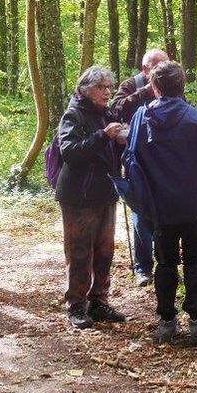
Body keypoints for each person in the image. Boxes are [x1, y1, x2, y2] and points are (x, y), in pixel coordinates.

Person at [131, 61, 197, 344]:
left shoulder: (141, 118)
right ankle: (196, 321)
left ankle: (167, 322)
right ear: (182, 87)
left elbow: (131, 159)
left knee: (165, 262)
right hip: (193, 205)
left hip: (159, 207)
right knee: (194, 260)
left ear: (154, 88)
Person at [56, 66, 128, 330]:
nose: (107, 92)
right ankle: (76, 305)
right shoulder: (74, 114)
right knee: (79, 252)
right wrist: (102, 136)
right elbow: (70, 152)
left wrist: (121, 141)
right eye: (101, 88)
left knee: (105, 251)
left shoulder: (106, 113)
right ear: (86, 90)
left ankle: (99, 301)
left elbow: (109, 153)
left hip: (105, 193)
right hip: (79, 197)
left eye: (109, 87)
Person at [111, 47, 170, 287]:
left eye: (166, 64)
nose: (163, 69)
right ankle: (143, 267)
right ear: (145, 69)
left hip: (163, 158)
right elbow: (116, 108)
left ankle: (165, 261)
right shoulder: (131, 84)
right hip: (136, 160)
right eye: (158, 65)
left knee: (164, 210)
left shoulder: (169, 83)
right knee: (139, 211)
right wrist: (144, 92)